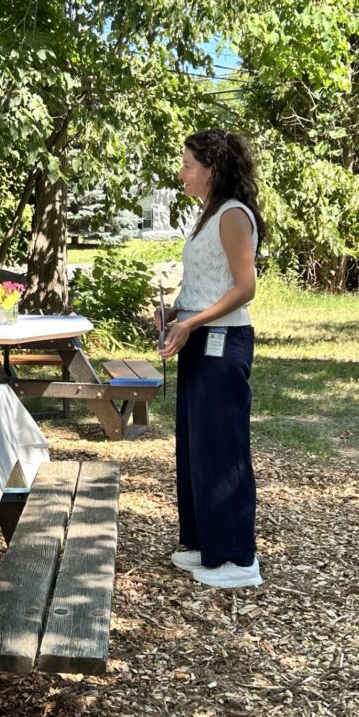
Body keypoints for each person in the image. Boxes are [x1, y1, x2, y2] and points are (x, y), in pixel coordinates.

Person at [155, 129, 267, 589]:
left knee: (224, 447)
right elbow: (208, 281)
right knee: (197, 445)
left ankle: (239, 558)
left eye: (187, 165)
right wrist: (176, 311)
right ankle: (207, 545)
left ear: (212, 169)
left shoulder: (234, 215)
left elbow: (245, 288)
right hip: (200, 337)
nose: (181, 172)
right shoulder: (209, 214)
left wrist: (191, 320)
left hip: (223, 341)